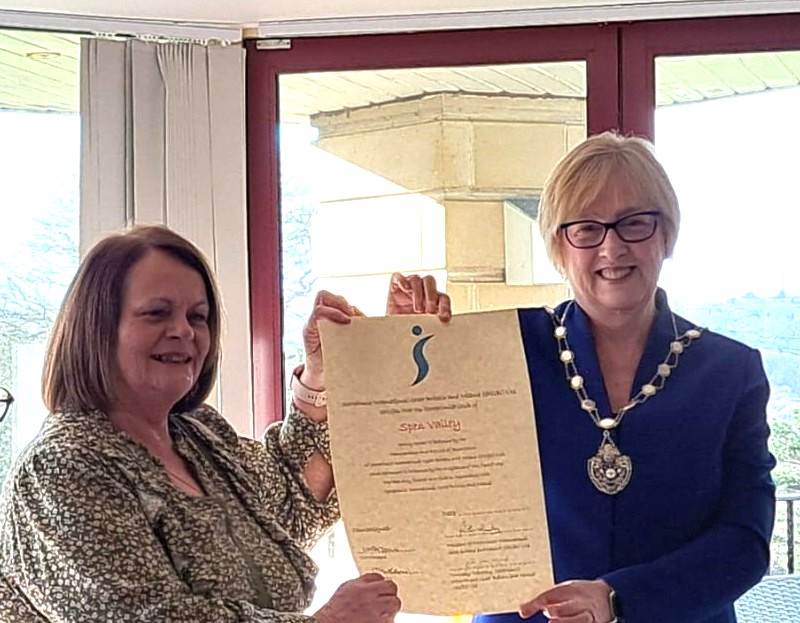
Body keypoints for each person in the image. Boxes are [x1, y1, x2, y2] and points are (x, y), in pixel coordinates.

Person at [391, 131, 776, 623]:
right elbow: (420, 468)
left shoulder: (731, 371)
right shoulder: (501, 350)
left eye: (634, 223)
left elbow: (745, 540)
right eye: (587, 228)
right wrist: (400, 349)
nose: (612, 247)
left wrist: (617, 598)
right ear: (559, 244)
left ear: (666, 234)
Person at [0, 225, 446, 623]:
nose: (184, 331)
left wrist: (341, 369)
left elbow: (296, 502)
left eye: (198, 316)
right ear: (96, 328)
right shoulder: (61, 467)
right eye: (156, 313)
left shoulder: (198, 434)